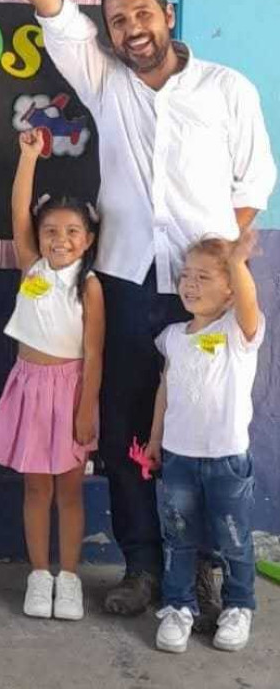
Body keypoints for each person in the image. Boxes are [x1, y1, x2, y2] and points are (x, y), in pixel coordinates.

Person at [0, 0, 277, 615]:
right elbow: (49, 4)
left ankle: (203, 569)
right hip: (122, 286)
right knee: (125, 433)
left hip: (202, 298)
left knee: (199, 435)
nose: (131, 29)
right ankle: (142, 569)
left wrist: (213, 267)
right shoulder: (103, 80)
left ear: (167, 15)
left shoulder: (225, 89)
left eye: (142, 14)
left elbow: (252, 186)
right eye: (117, 19)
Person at [0, 129, 103, 620]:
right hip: (30, 388)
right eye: (51, 230)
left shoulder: (90, 287)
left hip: (72, 392)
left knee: (70, 491)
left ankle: (69, 577)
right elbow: (18, 211)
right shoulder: (31, 268)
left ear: (88, 239)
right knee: (37, 488)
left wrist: (85, 411)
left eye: (72, 232)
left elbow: (94, 355)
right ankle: (39, 574)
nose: (61, 239)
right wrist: (28, 156)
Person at [147, 229, 263, 654]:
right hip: (178, 459)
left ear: (231, 292)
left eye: (204, 277)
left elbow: (250, 304)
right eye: (186, 276)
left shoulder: (240, 333)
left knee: (233, 539)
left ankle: (239, 606)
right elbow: (165, 390)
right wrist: (156, 440)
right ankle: (178, 606)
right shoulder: (174, 337)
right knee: (178, 538)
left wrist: (237, 261)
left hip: (226, 461)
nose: (190, 285)